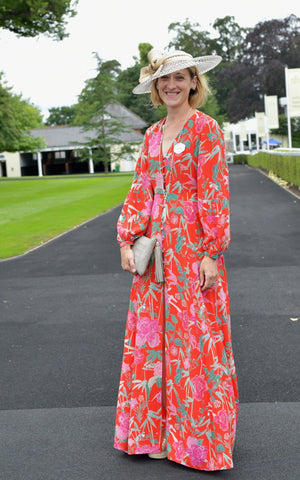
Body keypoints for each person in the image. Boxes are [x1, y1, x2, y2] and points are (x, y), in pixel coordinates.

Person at [114, 48, 238, 471]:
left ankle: (196, 444)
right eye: (163, 79)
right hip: (154, 254)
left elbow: (214, 194)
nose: (171, 85)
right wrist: (127, 240)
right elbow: (140, 190)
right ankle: (155, 433)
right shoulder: (151, 135)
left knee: (193, 346)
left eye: (180, 78)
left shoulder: (206, 130)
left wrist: (210, 253)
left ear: (193, 83)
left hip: (192, 252)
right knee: (153, 345)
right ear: (154, 86)